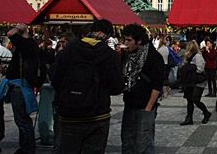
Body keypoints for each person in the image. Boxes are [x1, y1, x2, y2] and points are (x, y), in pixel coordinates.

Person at [51, 19, 124, 154]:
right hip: (98, 115)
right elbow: (117, 87)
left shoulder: (68, 50)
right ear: (107, 35)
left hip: (69, 114)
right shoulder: (110, 55)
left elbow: (55, 80)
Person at [120, 24, 165, 154]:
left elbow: (157, 85)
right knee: (127, 141)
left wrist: (148, 108)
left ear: (139, 41)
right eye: (125, 40)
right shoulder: (127, 56)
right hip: (129, 104)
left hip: (145, 105)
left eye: (129, 40)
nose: (125, 43)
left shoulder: (153, 57)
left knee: (143, 143)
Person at [5, 24, 41, 154]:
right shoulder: (31, 45)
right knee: (23, 119)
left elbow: (10, 33)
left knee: (22, 119)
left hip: (20, 85)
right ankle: (25, 147)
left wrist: (20, 28)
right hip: (23, 84)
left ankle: (27, 148)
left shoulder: (25, 45)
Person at [179, 41, 211, 125]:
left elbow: (200, 69)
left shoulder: (198, 56)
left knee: (195, 99)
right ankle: (189, 118)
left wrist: (190, 70)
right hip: (189, 81)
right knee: (189, 100)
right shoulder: (187, 57)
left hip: (198, 81)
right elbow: (183, 66)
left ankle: (206, 113)